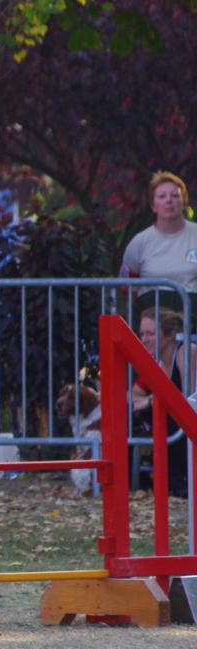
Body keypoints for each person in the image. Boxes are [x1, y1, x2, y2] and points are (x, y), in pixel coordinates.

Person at [132, 306, 193, 496]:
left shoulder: (185, 353)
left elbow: (187, 400)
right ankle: (130, 481)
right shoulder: (154, 362)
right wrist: (150, 401)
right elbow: (132, 395)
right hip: (171, 419)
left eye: (150, 333)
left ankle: (179, 481)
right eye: (142, 333)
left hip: (189, 420)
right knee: (130, 415)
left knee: (170, 417)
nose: (144, 339)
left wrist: (150, 401)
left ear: (170, 335)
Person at [121, 171, 197, 322]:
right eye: (162, 196)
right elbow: (127, 287)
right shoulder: (139, 242)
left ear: (184, 202)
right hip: (152, 317)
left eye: (175, 196)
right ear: (153, 206)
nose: (169, 201)